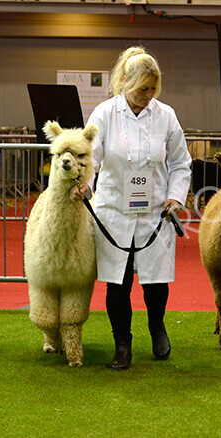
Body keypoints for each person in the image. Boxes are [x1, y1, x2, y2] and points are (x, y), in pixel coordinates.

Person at [74, 46, 192, 370]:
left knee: (155, 281)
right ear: (126, 81)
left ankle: (157, 326)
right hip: (115, 211)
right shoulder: (104, 113)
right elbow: (91, 157)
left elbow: (182, 163)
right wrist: (86, 182)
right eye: (143, 88)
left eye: (153, 89)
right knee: (118, 281)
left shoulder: (166, 115)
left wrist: (176, 197)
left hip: (155, 211)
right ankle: (122, 344)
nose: (148, 95)